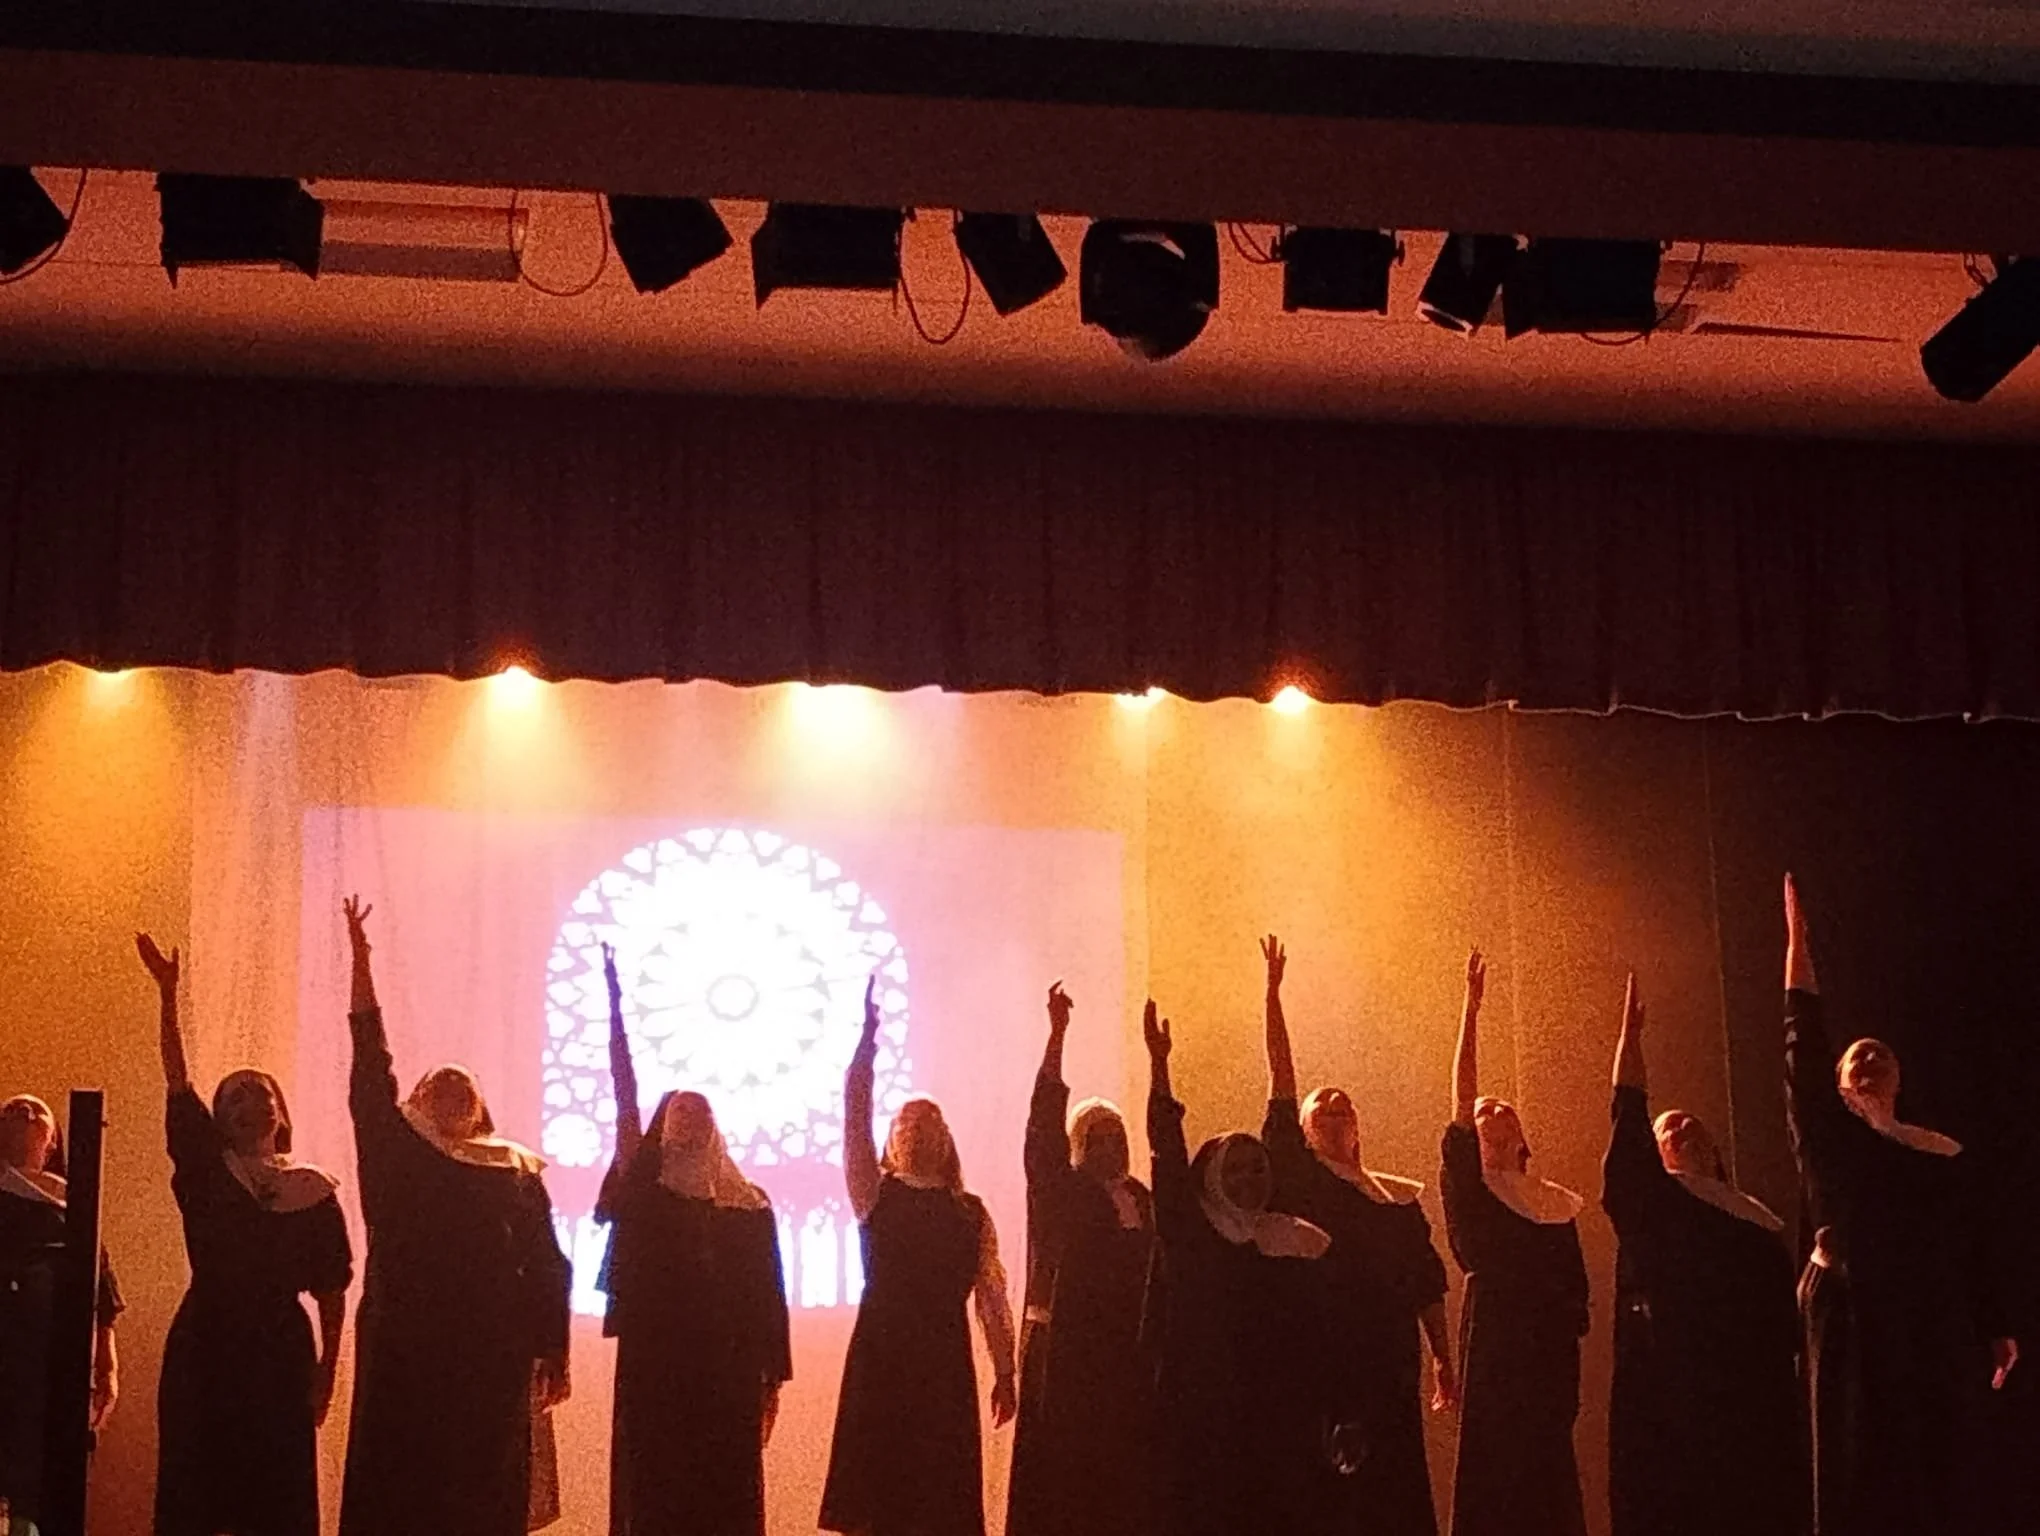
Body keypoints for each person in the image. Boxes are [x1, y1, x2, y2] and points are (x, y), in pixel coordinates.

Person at [1782, 875, 2018, 1536]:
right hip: (1857, 1311)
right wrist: (1798, 943)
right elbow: (1801, 1039)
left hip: (1930, 1319)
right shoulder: (1829, 1135)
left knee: (1937, 1460)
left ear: (1900, 1079)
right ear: (1839, 1084)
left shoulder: (1938, 1153)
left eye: (1881, 1053)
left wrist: (1996, 1323)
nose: (1870, 1056)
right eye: (1857, 1055)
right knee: (1863, 1462)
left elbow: (1971, 1242)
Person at [337, 898, 573, 1536]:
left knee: (484, 1492)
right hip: (407, 1346)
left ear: (482, 1108)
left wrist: (553, 1347)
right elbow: (369, 1066)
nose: (451, 1088)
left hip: (492, 1353)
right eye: (438, 1083)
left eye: (464, 1086)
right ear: (414, 1100)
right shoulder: (396, 1149)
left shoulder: (515, 1168)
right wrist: (361, 965)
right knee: (404, 1488)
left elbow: (549, 1262)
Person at [136, 935, 352, 1536]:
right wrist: (167, 994)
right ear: (220, 1117)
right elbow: (178, 1086)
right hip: (205, 1346)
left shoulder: (312, 1188)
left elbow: (332, 1290)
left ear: (282, 1115)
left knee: (276, 1495)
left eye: (261, 1094)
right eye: (234, 1096)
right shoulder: (208, 1174)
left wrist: (326, 1371)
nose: (249, 1102)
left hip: (280, 1355)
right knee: (196, 1489)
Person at [1258, 936, 1455, 1536]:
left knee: (1396, 1488)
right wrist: (1273, 995)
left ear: (1359, 1128)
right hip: (1324, 1360)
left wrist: (1444, 1359)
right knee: (1332, 1497)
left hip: (1390, 1364)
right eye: (1323, 1106)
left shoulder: (1395, 1199)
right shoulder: (1302, 1177)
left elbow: (1426, 1284)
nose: (1335, 1106)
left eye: (1344, 1104)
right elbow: (1283, 1077)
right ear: (1304, 1129)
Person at [594, 942, 791, 1536]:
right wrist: (615, 1006)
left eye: (698, 1116)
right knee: (653, 1493)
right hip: (656, 1366)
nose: (688, 1124)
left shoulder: (748, 1204)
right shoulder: (645, 1191)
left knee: (722, 1497)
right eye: (678, 1116)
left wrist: (771, 1379)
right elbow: (624, 1096)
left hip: (725, 1373)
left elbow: (768, 1300)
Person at [1602, 970, 1803, 1536]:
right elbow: (1627, 1121)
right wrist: (1631, 1044)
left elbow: (1783, 1330)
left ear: (1717, 1154)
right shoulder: (1653, 1203)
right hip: (1670, 1404)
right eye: (1669, 1128)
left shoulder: (1755, 1223)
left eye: (1693, 1125)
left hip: (1748, 1407)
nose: (1682, 1125)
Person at [819, 976, 1018, 1536]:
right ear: (893, 1138)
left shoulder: (969, 1212)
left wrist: (1005, 1369)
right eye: (908, 1122)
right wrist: (867, 1043)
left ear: (947, 1138)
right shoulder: (877, 1194)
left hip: (943, 1363)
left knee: (941, 1494)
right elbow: (853, 1117)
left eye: (929, 1122)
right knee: (882, 1496)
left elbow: (992, 1297)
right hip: (884, 1357)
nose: (918, 1129)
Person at [1143, 998, 1333, 1536]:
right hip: (1206, 1422)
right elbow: (1165, 1149)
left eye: (1258, 1169)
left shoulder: (1290, 1238)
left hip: (1279, 1424)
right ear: (1212, 1177)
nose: (1250, 1179)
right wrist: (1159, 1065)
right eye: (1237, 1170)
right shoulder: (1192, 1233)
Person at [1440, 950, 1589, 1536]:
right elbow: (1460, 1099)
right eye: (1484, 1113)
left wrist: (1563, 1331)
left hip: (1547, 1353)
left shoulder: (1553, 1201)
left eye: (1504, 1111)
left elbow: (1577, 1289)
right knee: (1494, 1471)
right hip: (1497, 1342)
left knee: (1549, 1471)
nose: (1492, 1109)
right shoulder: (1472, 1190)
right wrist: (1471, 1011)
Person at [1006, 982, 1155, 1536]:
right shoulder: (1061, 1191)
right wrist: (1057, 1036)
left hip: (1130, 1360)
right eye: (1095, 1139)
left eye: (1116, 1137)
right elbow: (1042, 1129)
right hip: (1069, 1360)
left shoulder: (1141, 1199)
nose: (1109, 1149)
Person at [0, 1093, 120, 1536]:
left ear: (52, 1144)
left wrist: (106, 1363)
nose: (26, 1113)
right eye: (13, 1109)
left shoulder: (72, 1205)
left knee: (36, 1477)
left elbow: (100, 1291)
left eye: (37, 1111)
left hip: (47, 1361)